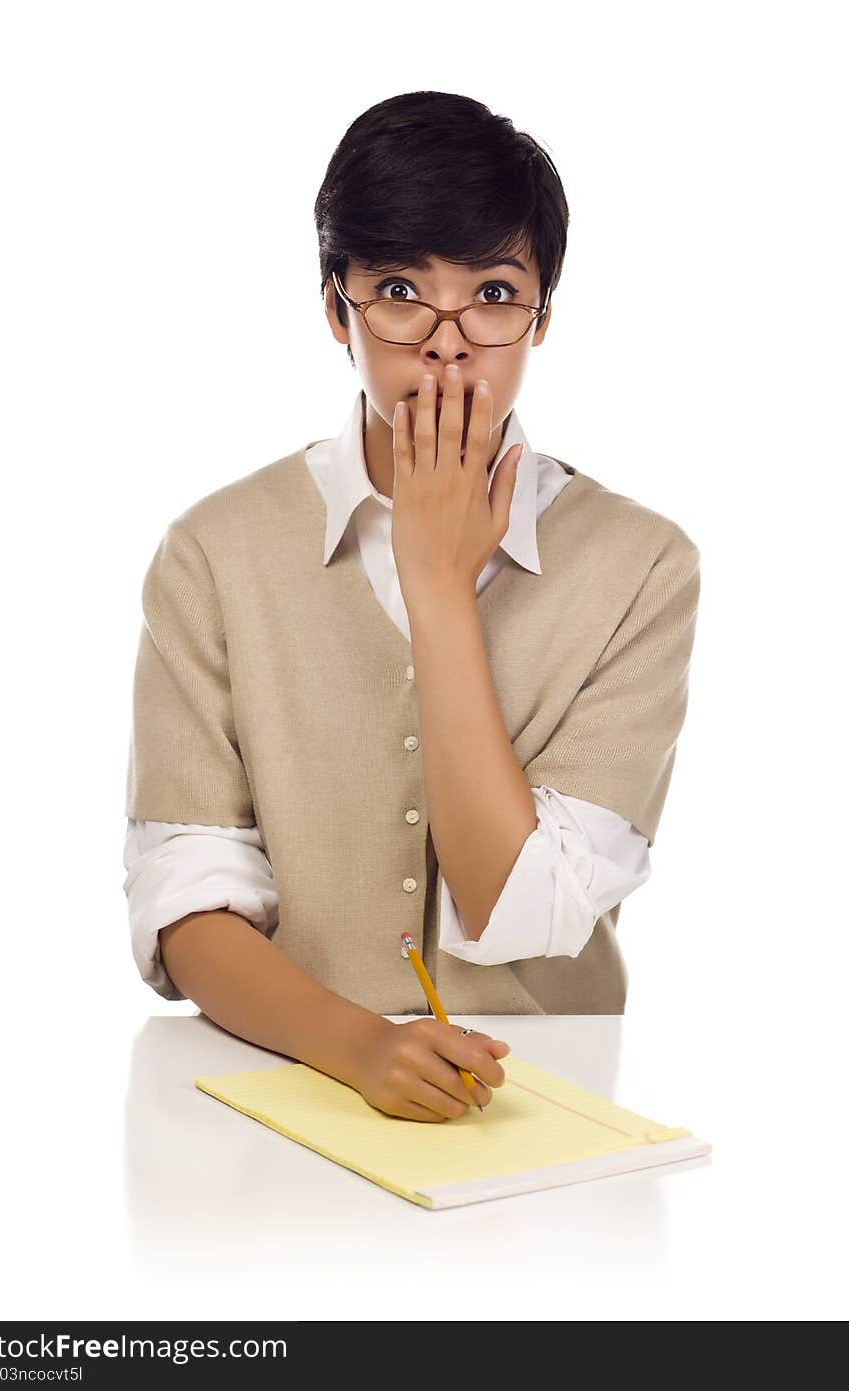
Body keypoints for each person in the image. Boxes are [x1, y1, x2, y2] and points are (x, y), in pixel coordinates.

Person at [122, 90, 700, 1124]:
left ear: (542, 317)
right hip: (283, 1083)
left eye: (491, 291)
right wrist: (356, 1045)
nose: (446, 341)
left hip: (554, 1097)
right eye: (397, 288)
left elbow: (522, 907)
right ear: (335, 309)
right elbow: (185, 901)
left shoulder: (643, 565)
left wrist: (439, 585)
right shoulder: (212, 551)